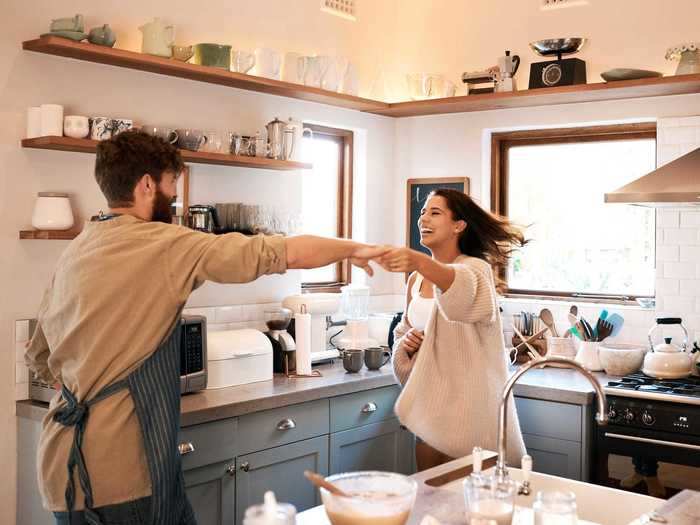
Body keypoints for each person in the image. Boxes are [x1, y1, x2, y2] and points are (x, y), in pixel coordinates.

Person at [24, 131, 388, 525]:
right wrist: (353, 248)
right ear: (147, 184)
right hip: (124, 472)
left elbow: (39, 356)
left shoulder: (78, 247)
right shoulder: (165, 243)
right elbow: (280, 252)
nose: (173, 198)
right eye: (170, 185)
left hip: (62, 470)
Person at [377, 189, 528, 471]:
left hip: (471, 411)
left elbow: (459, 298)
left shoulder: (476, 270)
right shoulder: (415, 280)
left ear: (459, 225)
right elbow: (403, 332)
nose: (424, 218)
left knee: (474, 506)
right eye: (423, 212)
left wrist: (419, 259)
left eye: (435, 213)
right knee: (433, 503)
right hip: (432, 408)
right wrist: (405, 344)